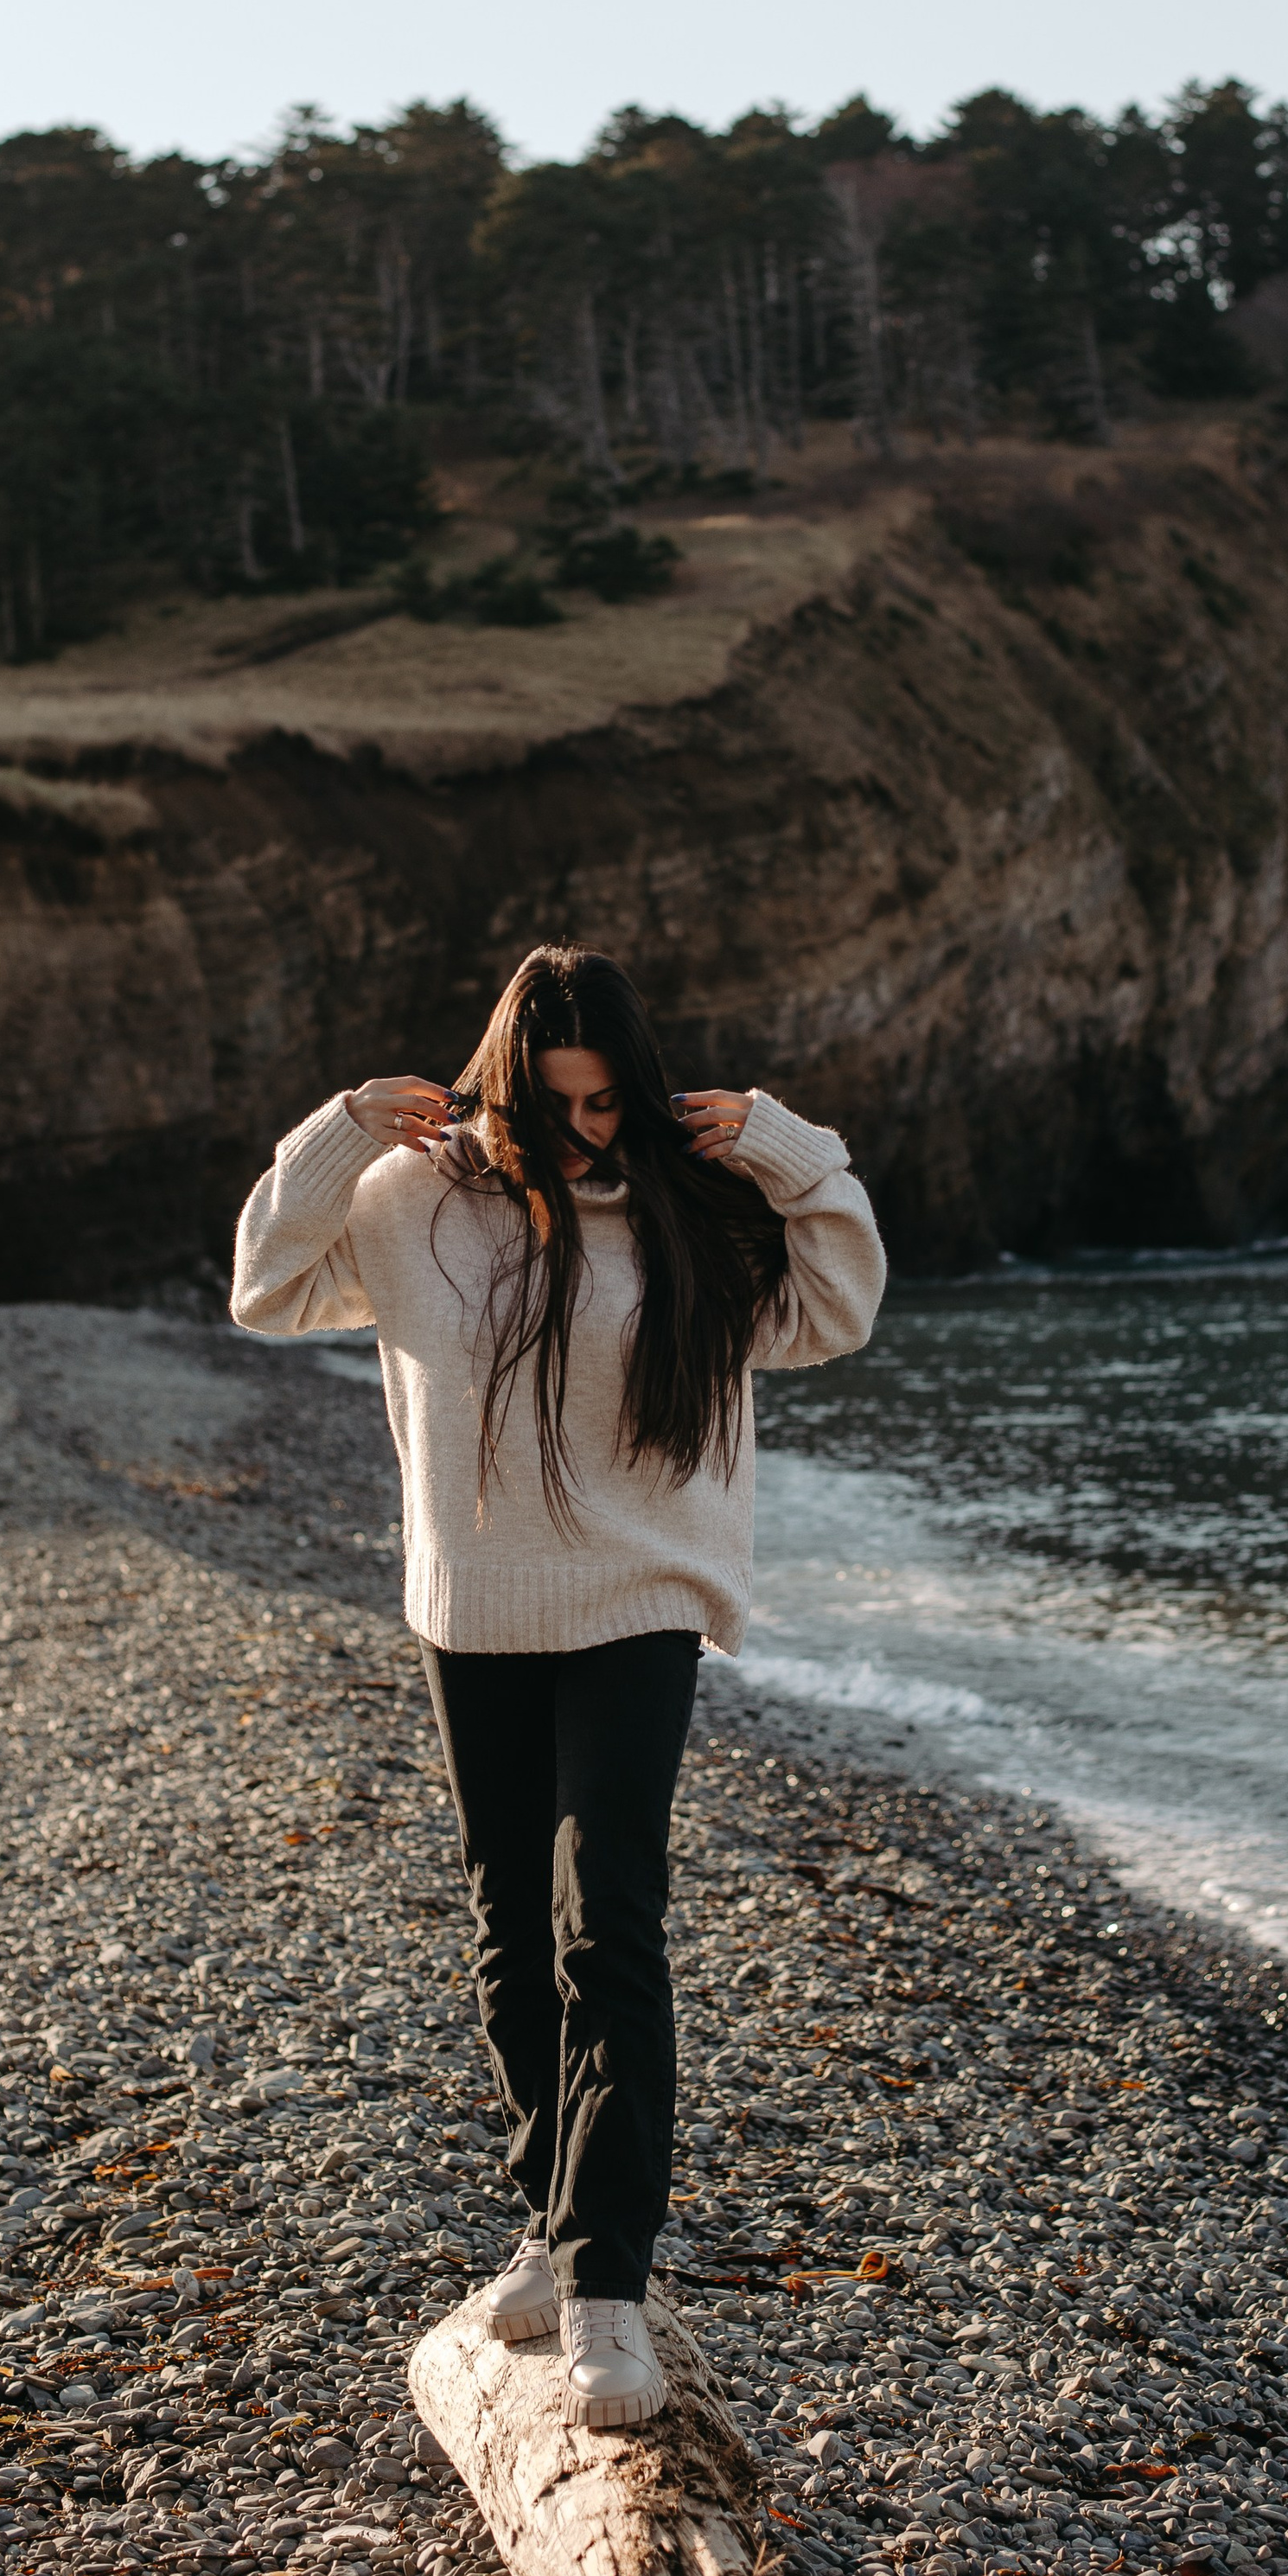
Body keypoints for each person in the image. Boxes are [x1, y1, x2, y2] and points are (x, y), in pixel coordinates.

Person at [230, 943, 886, 2427]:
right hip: (475, 1607)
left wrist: (790, 1150)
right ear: (509, 1085)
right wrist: (337, 1132)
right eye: (563, 1101)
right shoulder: (412, 1206)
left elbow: (839, 1307)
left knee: (611, 1928)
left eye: (612, 1100)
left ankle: (607, 2291)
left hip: (639, 1602)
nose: (591, 1127)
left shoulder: (689, 1213)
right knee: (511, 1935)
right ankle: (546, 2220)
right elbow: (266, 1289)